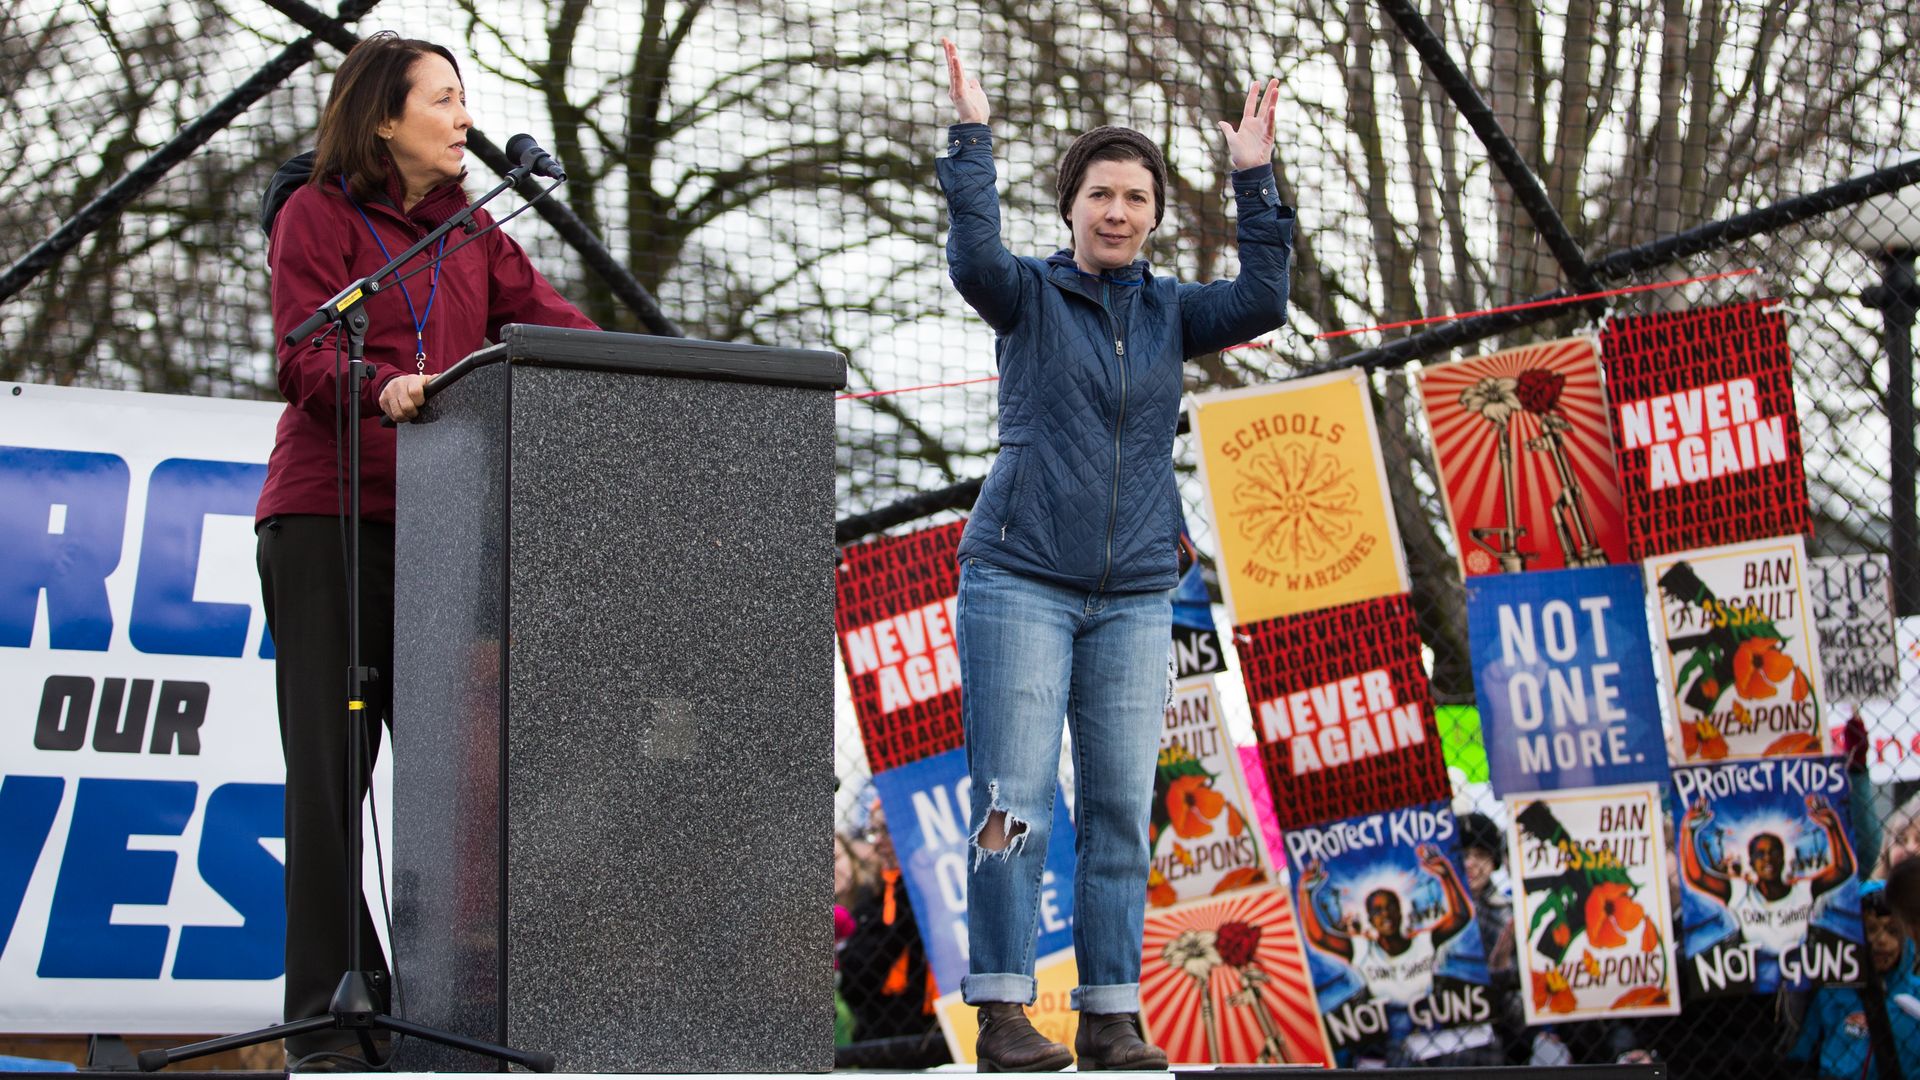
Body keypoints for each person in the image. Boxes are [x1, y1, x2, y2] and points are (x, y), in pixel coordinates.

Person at [936, 36, 1293, 1072]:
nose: (1119, 212)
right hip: (1018, 581)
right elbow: (971, 257)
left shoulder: (1175, 309)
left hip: (1137, 593)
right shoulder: (1030, 296)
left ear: (1152, 213)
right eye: (1101, 194)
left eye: (1136, 197)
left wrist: (1256, 182)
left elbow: (1265, 298)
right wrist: (972, 138)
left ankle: (1110, 1014)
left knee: (1118, 814)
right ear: (1073, 207)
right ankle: (1004, 1012)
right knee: (1013, 800)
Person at [255, 31, 594, 1070]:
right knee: (330, 781)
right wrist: (377, 387)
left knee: (457, 787)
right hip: (327, 523)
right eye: (444, 98)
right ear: (385, 117)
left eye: (464, 98)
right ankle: (332, 1022)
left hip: (444, 531)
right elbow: (305, 351)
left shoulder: (472, 229)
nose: (464, 117)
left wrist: (666, 372)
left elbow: (549, 325)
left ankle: (450, 1015)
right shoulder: (316, 214)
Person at [1788, 881, 1920, 1078]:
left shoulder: (1916, 996)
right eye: (1871, 929)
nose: (1882, 940)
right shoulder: (1833, 989)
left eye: (1893, 931)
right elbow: (1803, 1053)